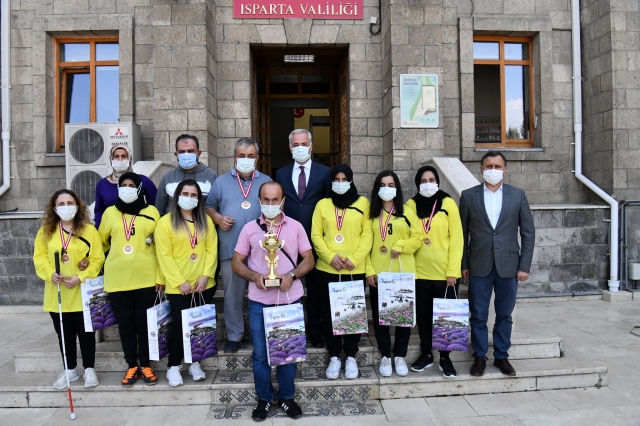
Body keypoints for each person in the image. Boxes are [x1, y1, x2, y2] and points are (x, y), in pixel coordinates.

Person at [232, 182, 314, 421]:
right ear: (259, 200)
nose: (270, 204)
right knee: (260, 354)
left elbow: (309, 259)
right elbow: (236, 263)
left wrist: (292, 275)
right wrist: (254, 276)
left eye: (275, 199)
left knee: (289, 352)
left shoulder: (296, 227)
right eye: (266, 200)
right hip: (260, 301)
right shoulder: (249, 229)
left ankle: (287, 397)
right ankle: (265, 399)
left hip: (290, 299)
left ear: (283, 201)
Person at [460, 151, 535, 377]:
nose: (493, 170)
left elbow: (529, 233)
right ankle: (480, 357)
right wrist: (463, 263)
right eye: (489, 166)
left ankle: (501, 356)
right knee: (478, 315)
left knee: (505, 314)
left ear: (505, 169)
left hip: (509, 266)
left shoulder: (517, 195)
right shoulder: (469, 196)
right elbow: (461, 234)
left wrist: (524, 266)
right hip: (478, 264)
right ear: (481, 169)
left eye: (498, 166)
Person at [33, 189, 105, 389]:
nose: (66, 207)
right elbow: (39, 258)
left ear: (78, 205)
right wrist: (50, 274)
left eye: (70, 203)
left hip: (82, 291)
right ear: (54, 208)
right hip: (58, 293)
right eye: (62, 204)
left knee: (86, 333)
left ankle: (89, 369)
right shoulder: (46, 231)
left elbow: (97, 259)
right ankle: (70, 370)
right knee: (64, 333)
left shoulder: (89, 230)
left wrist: (80, 277)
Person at [206, 138, 272, 353]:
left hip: (261, 250)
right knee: (233, 295)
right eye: (241, 156)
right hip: (230, 248)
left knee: (263, 292)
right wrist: (217, 219)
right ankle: (234, 335)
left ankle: (262, 333)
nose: (246, 160)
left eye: (250, 156)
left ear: (257, 158)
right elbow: (209, 206)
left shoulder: (266, 181)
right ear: (234, 157)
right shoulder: (221, 181)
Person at [98, 172, 162, 387]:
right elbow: (102, 243)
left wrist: (160, 277)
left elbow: (160, 246)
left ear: (138, 188)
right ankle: (131, 364)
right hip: (118, 280)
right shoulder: (109, 213)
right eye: (123, 185)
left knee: (144, 324)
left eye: (131, 185)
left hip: (146, 279)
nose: (127, 188)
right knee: (125, 325)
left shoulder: (152, 212)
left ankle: (145, 364)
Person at [311, 164, 373, 380]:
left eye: (343, 179)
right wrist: (330, 257)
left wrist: (354, 259)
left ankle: (351, 356)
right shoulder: (322, 204)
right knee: (328, 314)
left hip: (353, 269)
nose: (339, 183)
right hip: (327, 269)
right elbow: (316, 234)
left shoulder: (363, 203)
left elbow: (368, 235)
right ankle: (335, 355)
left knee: (352, 313)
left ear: (351, 180)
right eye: (335, 179)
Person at [155, 179, 218, 386]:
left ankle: (194, 362)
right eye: (185, 194)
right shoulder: (165, 222)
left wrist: (206, 275)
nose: (189, 199)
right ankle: (174, 366)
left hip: (202, 285)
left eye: (194, 195)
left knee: (198, 325)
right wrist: (179, 281)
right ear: (177, 196)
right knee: (179, 326)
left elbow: (211, 249)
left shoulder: (205, 221)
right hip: (178, 286)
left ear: (199, 199)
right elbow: (164, 256)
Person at [405, 166, 464, 378]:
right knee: (423, 317)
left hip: (444, 275)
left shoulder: (448, 204)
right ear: (417, 183)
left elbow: (457, 240)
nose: (427, 183)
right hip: (419, 273)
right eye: (423, 180)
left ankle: (445, 358)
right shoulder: (410, 205)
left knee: (445, 318)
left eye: (431, 179)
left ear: (437, 181)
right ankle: (426, 354)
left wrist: (453, 272)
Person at [275, 129, 331, 348]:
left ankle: (315, 332)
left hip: (315, 241)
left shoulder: (325, 172)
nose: (300, 147)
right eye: (295, 144)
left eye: (304, 143)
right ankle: (289, 330)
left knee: (316, 290)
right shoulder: (281, 173)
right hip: (288, 241)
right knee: (288, 285)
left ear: (311, 146)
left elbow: (328, 205)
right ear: (290, 148)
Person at [365, 171, 422, 378]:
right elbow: (366, 246)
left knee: (402, 319)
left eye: (391, 184)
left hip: (402, 274)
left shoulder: (407, 211)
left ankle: (399, 355)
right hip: (379, 275)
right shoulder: (371, 213)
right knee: (382, 319)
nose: (386, 188)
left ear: (397, 188)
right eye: (382, 184)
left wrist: (401, 245)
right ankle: (385, 356)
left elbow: (418, 239)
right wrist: (369, 271)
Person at [94, 145, 157, 228]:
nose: (120, 160)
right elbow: (99, 209)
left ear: (129, 158)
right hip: (112, 231)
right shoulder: (103, 184)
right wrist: (99, 227)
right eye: (116, 156)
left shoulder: (143, 181)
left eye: (124, 156)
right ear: (111, 159)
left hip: (139, 230)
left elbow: (157, 204)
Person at [155, 134, 218, 215]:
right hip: (172, 226)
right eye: (182, 152)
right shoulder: (168, 177)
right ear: (176, 154)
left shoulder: (211, 176)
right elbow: (159, 209)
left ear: (199, 153)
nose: (186, 154)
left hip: (202, 226)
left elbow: (216, 207)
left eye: (190, 151)